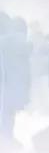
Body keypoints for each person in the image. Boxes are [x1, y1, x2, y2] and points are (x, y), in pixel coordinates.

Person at [0, 15, 32, 144]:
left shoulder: (7, 40)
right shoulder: (13, 39)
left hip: (9, 84)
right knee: (7, 113)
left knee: (7, 112)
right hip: (9, 85)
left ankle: (6, 138)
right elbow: (27, 47)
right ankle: (6, 138)